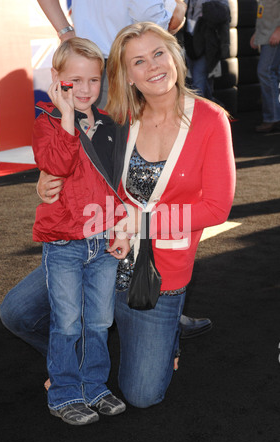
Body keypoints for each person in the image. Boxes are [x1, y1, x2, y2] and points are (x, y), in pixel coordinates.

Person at [36, 0, 212, 339]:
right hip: (115, 66)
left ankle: (143, 298)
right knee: (138, 180)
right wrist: (177, 10)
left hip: (117, 61)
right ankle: (122, 302)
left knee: (133, 180)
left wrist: (66, 31)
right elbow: (156, 21)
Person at [104, 22, 236, 407]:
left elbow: (216, 207)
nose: (153, 66)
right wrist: (48, 177)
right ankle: (75, 356)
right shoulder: (120, 117)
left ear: (175, 55)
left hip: (159, 271)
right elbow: (86, 166)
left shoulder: (211, 120)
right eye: (139, 61)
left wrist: (140, 223)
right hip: (104, 258)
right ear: (127, 75)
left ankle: (167, 331)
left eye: (159, 53)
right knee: (18, 312)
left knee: (142, 394)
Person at [32, 37, 131, 425]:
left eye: (93, 80)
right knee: (68, 322)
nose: (86, 89)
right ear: (57, 80)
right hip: (64, 245)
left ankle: (95, 386)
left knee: (100, 321)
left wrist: (122, 228)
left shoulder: (109, 124)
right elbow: (56, 164)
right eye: (75, 81)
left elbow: (118, 182)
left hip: (104, 241)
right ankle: (64, 393)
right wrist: (69, 118)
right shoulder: (47, 123)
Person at [37, 0, 187, 108]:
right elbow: (151, 17)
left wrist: (65, 32)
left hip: (92, 59)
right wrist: (177, 9)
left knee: (94, 136)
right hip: (127, 62)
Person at [182, 0, 231, 100]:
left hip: (206, 42)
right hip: (188, 40)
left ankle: (199, 112)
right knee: (196, 81)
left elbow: (226, 14)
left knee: (198, 82)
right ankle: (212, 108)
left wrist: (209, 10)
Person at [250, 0, 280, 133]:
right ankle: (273, 116)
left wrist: (279, 31)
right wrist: (257, 34)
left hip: (274, 36)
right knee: (271, 73)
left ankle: (272, 118)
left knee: (265, 71)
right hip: (267, 35)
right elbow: (263, 11)